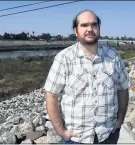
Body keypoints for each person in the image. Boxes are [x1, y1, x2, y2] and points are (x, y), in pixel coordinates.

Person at [44, 9, 129, 144]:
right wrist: (61, 131)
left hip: (108, 134)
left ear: (99, 28)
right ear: (76, 30)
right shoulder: (63, 58)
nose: (90, 29)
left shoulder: (114, 57)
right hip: (76, 137)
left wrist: (120, 119)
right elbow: (51, 95)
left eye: (94, 25)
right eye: (84, 25)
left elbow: (123, 89)